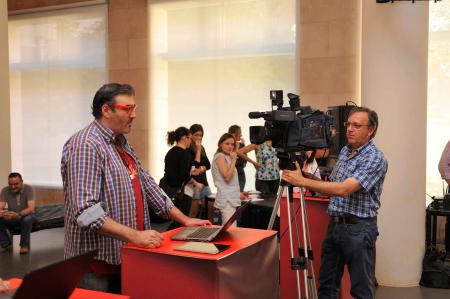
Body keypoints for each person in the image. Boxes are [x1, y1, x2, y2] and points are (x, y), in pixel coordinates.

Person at [61, 83, 209, 294]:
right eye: (127, 108)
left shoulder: (120, 142)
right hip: (95, 267)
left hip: (125, 257)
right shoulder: (86, 145)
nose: (134, 114)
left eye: (135, 107)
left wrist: (184, 219)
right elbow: (86, 212)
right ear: (106, 109)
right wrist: (135, 236)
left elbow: (148, 185)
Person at [282, 107, 388, 299]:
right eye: (348, 124)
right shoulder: (345, 151)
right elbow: (332, 187)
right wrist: (306, 176)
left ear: (371, 130)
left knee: (361, 289)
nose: (349, 129)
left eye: (357, 125)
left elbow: (345, 189)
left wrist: (302, 182)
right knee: (327, 284)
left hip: (359, 228)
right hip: (335, 226)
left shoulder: (375, 157)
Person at [159, 126, 204, 218]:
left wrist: (191, 173)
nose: (191, 141)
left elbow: (175, 171)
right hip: (178, 193)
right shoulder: (184, 153)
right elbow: (183, 175)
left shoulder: (170, 152)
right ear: (184, 138)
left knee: (172, 219)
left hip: (168, 190)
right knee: (181, 220)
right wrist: (197, 183)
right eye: (190, 138)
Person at [211, 133, 247, 225]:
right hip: (227, 200)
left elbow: (229, 182)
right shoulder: (220, 156)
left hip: (230, 198)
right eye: (227, 144)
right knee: (230, 232)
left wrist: (237, 193)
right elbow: (227, 177)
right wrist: (234, 160)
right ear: (220, 144)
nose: (230, 146)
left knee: (231, 231)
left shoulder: (227, 157)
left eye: (232, 144)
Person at [0, 173, 37, 255]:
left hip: (28, 215)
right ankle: (5, 244)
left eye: (16, 184)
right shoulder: (5, 190)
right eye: (11, 184)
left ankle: (24, 245)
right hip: (13, 217)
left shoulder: (29, 189)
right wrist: (2, 213)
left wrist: (18, 214)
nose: (13, 187)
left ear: (21, 182)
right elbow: (1, 206)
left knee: (27, 220)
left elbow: (31, 208)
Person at [188, 124, 212, 218]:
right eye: (196, 135)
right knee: (194, 212)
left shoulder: (202, 148)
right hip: (194, 183)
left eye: (201, 135)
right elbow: (195, 165)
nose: (199, 137)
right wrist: (198, 150)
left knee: (210, 207)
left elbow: (208, 165)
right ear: (191, 135)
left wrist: (203, 168)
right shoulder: (188, 148)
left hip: (204, 182)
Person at [228, 125, 248, 191]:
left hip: (240, 174)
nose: (241, 135)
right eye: (239, 133)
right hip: (231, 175)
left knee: (240, 194)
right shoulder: (227, 146)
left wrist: (244, 145)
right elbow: (230, 162)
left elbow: (245, 160)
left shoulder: (241, 145)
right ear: (233, 134)